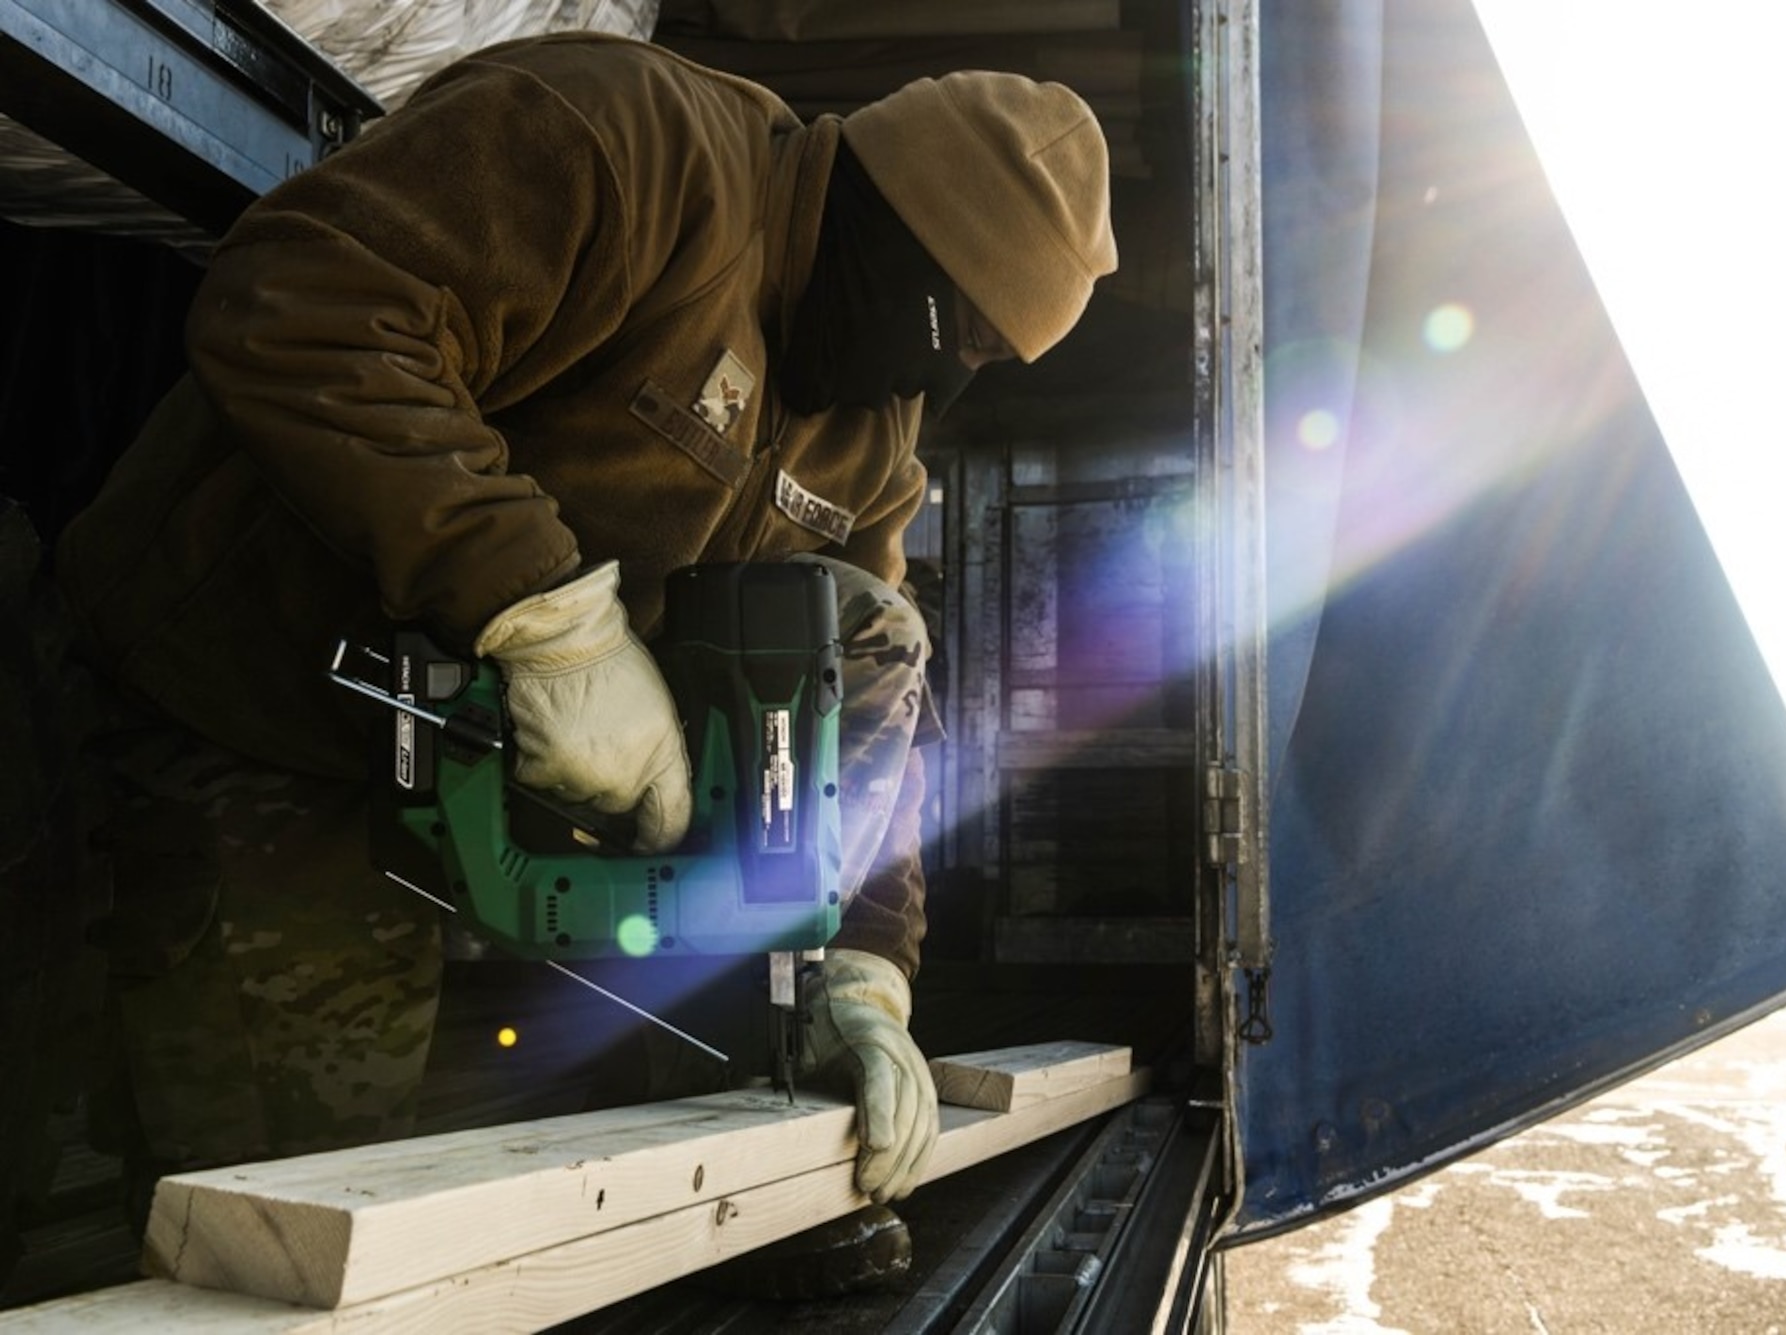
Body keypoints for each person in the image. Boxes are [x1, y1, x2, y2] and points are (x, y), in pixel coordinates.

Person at [51, 30, 1115, 1261]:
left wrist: (865, 971)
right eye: (962, 332)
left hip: (453, 783)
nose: (950, 375)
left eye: (987, 358)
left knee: (862, 617)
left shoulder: (867, 437)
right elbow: (305, 305)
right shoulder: (626, 144)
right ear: (892, 227)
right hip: (241, 702)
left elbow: (860, 706)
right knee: (274, 1192)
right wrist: (541, 613)